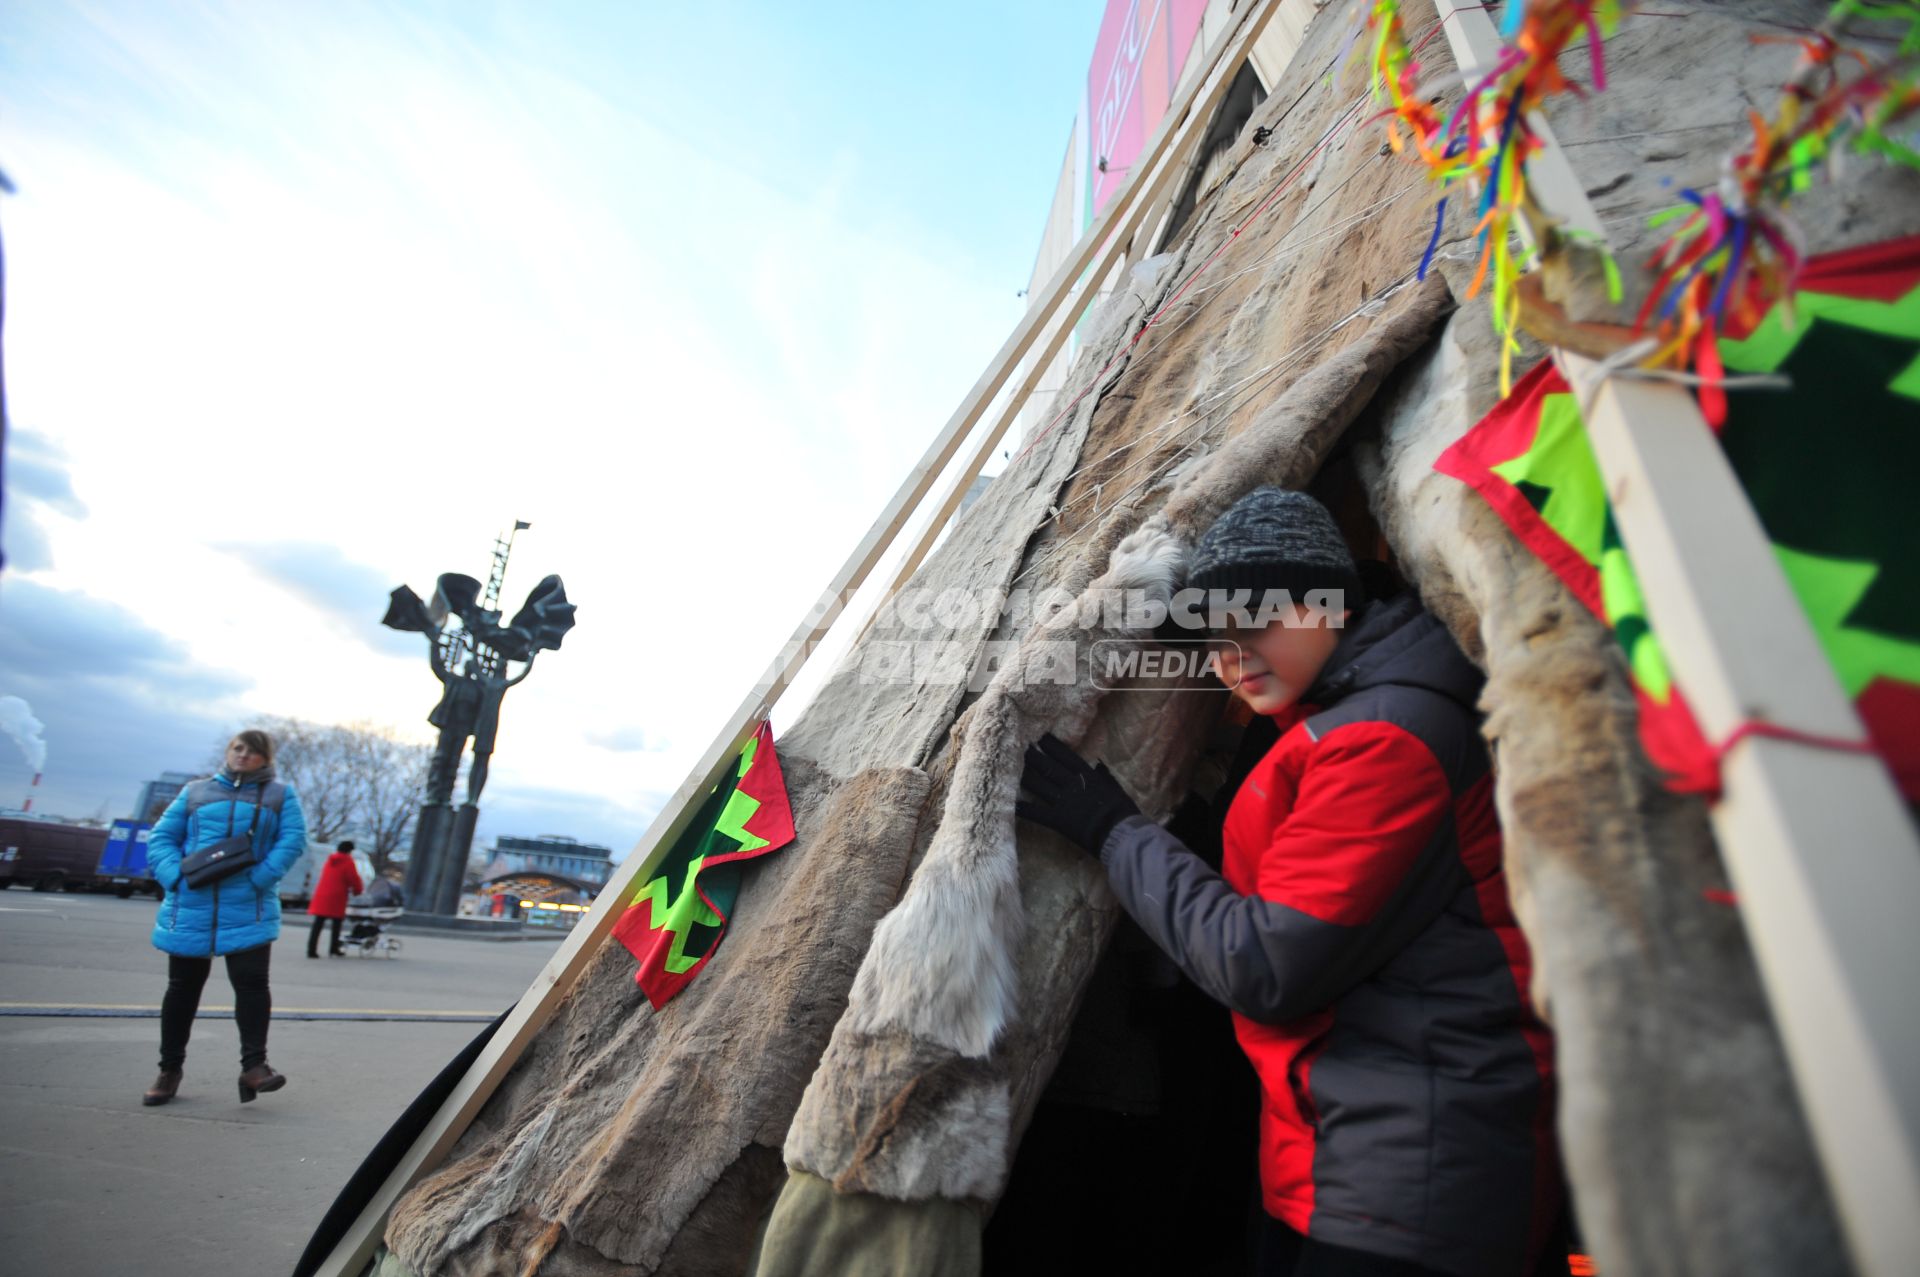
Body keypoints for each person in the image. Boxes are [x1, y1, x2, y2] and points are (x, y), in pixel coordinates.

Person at [1020, 488, 1558, 1277]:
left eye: (1257, 618)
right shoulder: (1336, 722)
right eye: (1214, 635)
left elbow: (1265, 962)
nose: (1231, 654)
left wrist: (1113, 829)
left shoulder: (1386, 738)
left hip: (1418, 1172)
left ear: (1331, 605)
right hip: (1355, 1153)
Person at [142, 729, 308, 1106]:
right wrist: (174, 877)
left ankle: (254, 1068)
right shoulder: (196, 792)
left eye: (252, 751)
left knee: (251, 986)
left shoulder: (281, 796)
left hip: (248, 904)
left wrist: (262, 877)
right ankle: (169, 1070)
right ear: (228, 751)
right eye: (238, 748)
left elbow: (292, 840)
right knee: (182, 989)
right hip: (192, 902)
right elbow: (161, 837)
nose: (243, 756)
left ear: (266, 758)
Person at [307, 840, 364, 958]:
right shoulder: (347, 861)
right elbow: (353, 878)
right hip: (337, 896)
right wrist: (357, 891)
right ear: (349, 850)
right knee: (336, 925)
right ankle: (334, 948)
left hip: (322, 895)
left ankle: (311, 950)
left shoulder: (330, 860)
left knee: (318, 924)